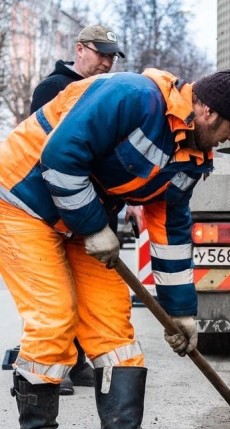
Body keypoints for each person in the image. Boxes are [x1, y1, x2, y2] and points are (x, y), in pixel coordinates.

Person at [0, 68, 230, 429]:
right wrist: (93, 228)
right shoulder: (132, 95)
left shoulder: (192, 157)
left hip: (81, 218)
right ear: (206, 110)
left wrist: (181, 313)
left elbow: (171, 230)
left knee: (114, 329)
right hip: (22, 202)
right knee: (54, 315)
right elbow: (60, 158)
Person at [29, 24, 143, 396]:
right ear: (80, 49)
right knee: (58, 294)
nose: (107, 62)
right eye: (101, 53)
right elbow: (49, 153)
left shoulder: (107, 92)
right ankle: (54, 369)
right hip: (58, 210)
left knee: (93, 293)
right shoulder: (52, 89)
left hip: (97, 212)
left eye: (112, 56)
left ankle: (78, 363)